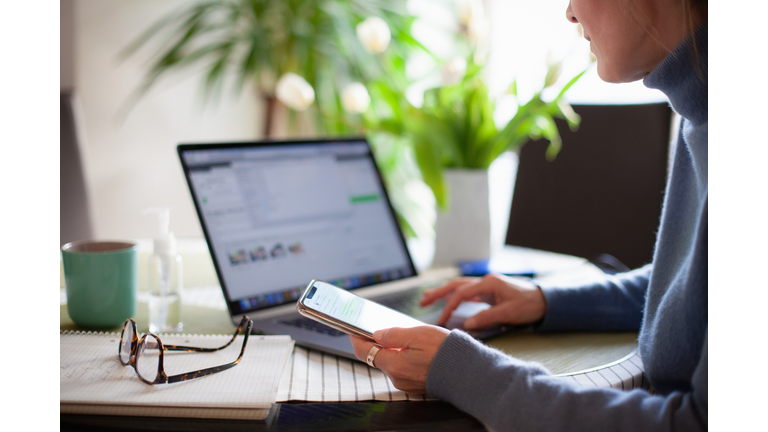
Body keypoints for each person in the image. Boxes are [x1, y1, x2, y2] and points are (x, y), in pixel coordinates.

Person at [350, 0, 708, 430]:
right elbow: (690, 290)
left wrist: (468, 374)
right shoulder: (703, 113)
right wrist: (541, 301)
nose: (570, 13)